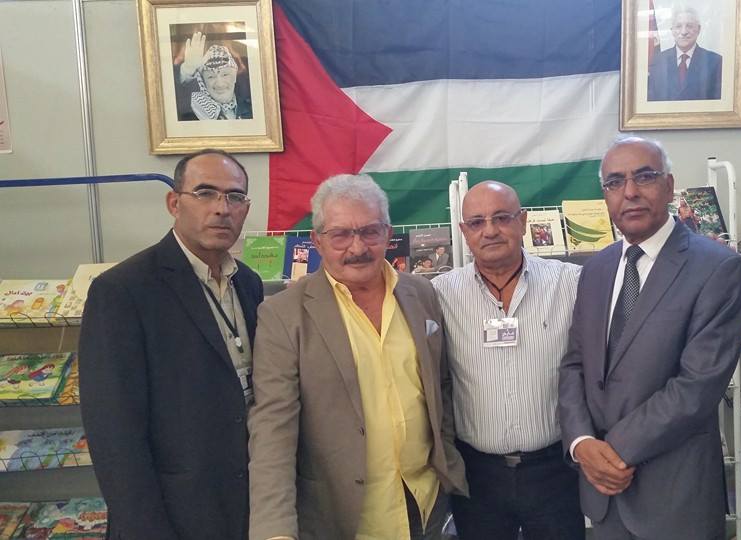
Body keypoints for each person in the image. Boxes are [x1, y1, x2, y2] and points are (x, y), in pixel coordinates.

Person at [247, 174, 467, 540]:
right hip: (344, 518)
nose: (357, 247)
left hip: (426, 505)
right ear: (317, 240)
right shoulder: (283, 315)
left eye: (370, 231)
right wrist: (275, 531)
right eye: (340, 235)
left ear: (388, 233)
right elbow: (272, 429)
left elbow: (440, 386)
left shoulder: (422, 294)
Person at [558, 137, 741, 539]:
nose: (629, 192)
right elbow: (575, 364)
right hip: (604, 497)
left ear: (669, 186)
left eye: (644, 177)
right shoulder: (595, 270)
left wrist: (610, 452)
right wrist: (581, 443)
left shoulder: (718, 268)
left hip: (675, 498)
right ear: (605, 194)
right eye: (615, 182)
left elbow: (698, 386)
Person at [79, 149, 264, 540]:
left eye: (234, 196)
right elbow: (114, 434)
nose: (222, 208)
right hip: (170, 515)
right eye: (205, 193)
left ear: (246, 208)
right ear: (174, 203)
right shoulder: (123, 291)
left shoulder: (248, 283)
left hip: (246, 506)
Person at [432, 181, 584, 540]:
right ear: (464, 231)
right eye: (477, 222)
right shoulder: (440, 294)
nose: (490, 231)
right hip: (477, 476)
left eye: (501, 218)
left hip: (556, 471)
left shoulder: (570, 283)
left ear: (523, 221)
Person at [647, 7, 722, 101]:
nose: (684, 32)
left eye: (689, 26)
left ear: (698, 29)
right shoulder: (657, 61)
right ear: (672, 30)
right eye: (678, 26)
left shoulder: (715, 62)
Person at [175, 31, 253, 121]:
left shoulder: (252, 109)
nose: (219, 84)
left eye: (225, 74)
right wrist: (188, 68)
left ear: (234, 76)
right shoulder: (194, 111)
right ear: (203, 82)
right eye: (211, 77)